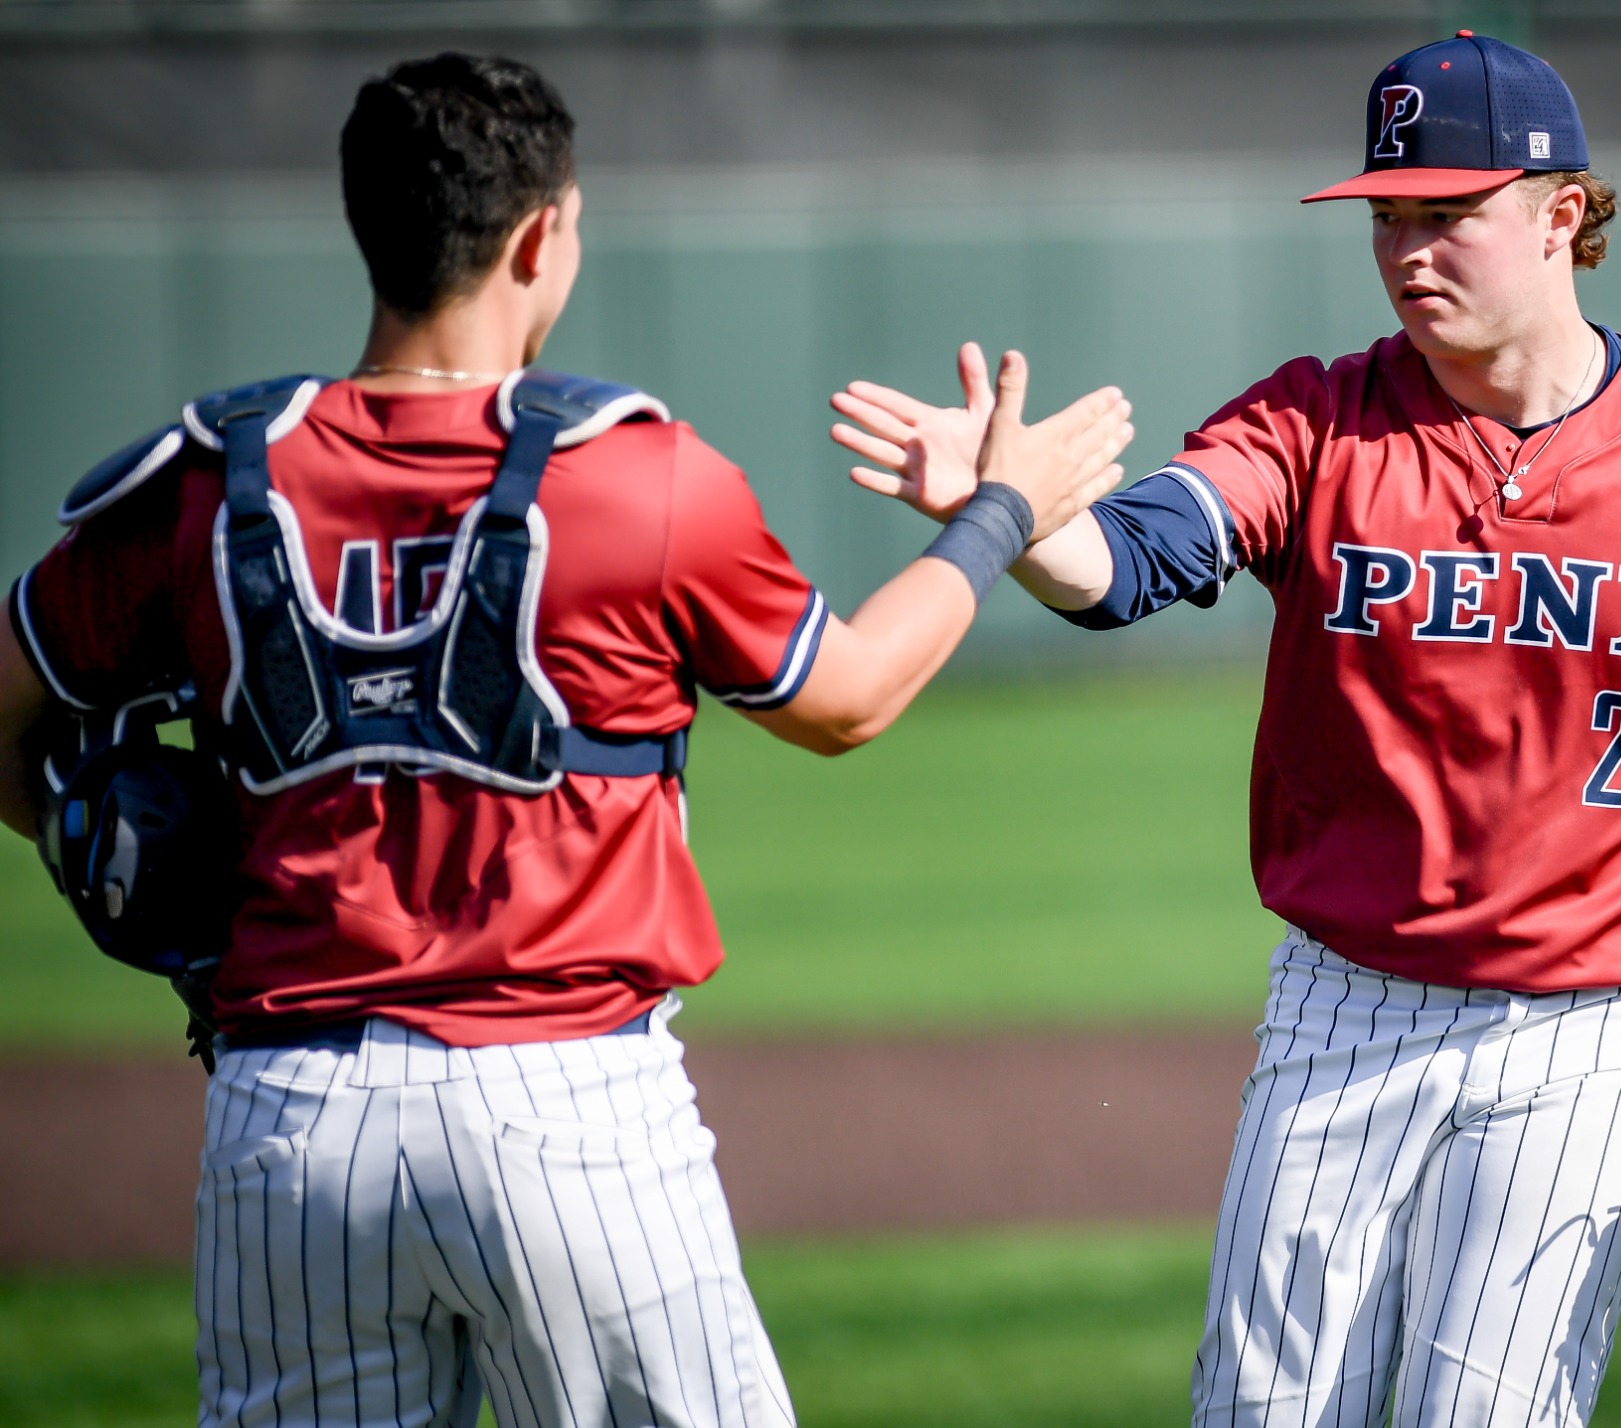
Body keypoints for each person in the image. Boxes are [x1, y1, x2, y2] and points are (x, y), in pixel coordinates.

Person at [0, 52, 1130, 1428]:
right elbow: (849, 699)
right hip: (569, 1112)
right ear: (539, 236)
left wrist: (84, 841)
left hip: (288, 1122)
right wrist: (999, 513)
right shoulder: (640, 480)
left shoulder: (206, 482)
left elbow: (12, 717)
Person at [830, 30, 1621, 1428]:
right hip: (1343, 1008)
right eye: (1389, 215)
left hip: (1586, 1030)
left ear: (1561, 212)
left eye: (1448, 213)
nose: (1409, 248)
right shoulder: (1317, 420)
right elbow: (1133, 564)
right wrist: (1011, 517)